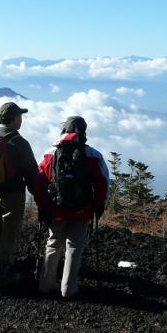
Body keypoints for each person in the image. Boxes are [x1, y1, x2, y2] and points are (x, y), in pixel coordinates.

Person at [37, 116, 108, 299]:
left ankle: (46, 284)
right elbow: (102, 182)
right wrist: (98, 206)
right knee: (74, 246)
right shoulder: (92, 154)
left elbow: (39, 181)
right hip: (81, 210)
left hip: (55, 209)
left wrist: (42, 205)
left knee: (53, 243)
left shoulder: (50, 153)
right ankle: (68, 288)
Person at [0, 102, 45, 285]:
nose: (21, 120)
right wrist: (40, 197)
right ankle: (4, 271)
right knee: (9, 231)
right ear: (15, 119)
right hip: (12, 195)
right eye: (20, 117)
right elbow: (32, 173)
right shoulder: (19, 142)